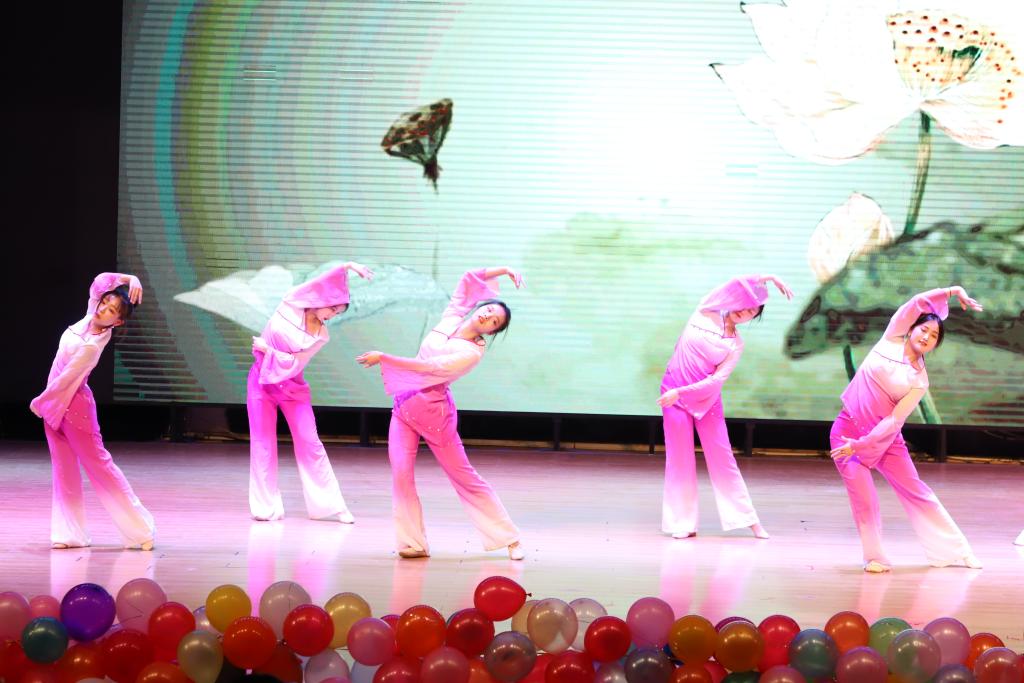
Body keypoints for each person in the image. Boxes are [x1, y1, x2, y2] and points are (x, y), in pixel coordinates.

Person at [357, 267, 524, 560]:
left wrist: (385, 358)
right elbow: (467, 280)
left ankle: (509, 538)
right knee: (401, 475)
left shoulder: (472, 353)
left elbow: (429, 369)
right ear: (480, 307)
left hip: (435, 417)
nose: (487, 317)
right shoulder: (452, 318)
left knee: (463, 475)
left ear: (491, 332)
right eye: (488, 310)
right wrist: (504, 270)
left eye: (494, 321)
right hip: (404, 407)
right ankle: (413, 543)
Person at [830, 286, 983, 572]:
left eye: (934, 336)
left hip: (885, 440)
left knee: (917, 491)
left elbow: (893, 421)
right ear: (911, 328)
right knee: (865, 499)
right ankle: (874, 557)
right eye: (924, 329)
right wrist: (953, 291)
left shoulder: (920, 380)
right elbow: (917, 302)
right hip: (846, 433)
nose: (926, 337)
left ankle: (957, 551)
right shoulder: (890, 339)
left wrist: (861, 445)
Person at [657, 274, 793, 540]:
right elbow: (734, 283)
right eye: (744, 304)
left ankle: (749, 520)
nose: (744, 311)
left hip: (703, 399)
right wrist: (767, 278)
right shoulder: (704, 311)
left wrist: (681, 392)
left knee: (723, 458)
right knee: (679, 458)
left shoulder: (736, 344)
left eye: (752, 311)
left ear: (753, 318)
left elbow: (716, 380)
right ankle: (683, 523)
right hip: (672, 394)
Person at [30, 272, 156, 550]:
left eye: (112, 310)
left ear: (118, 322)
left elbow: (66, 379)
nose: (103, 309)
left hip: (74, 408)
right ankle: (70, 534)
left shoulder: (93, 344)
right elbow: (100, 282)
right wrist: (130, 279)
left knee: (101, 467)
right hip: (55, 405)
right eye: (105, 303)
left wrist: (41, 401)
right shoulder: (90, 316)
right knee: (63, 470)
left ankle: (141, 530)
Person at [248, 261, 373, 522]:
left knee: (310, 442)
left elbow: (295, 364)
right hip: (261, 382)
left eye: (337, 313)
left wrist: (268, 350)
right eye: (332, 309)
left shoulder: (321, 335)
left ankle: (332, 506)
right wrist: (346, 266)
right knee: (262, 443)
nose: (333, 315)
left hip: (292, 386)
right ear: (321, 300)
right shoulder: (291, 304)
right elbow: (318, 283)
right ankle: (265, 507)